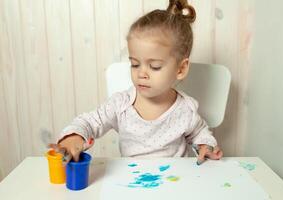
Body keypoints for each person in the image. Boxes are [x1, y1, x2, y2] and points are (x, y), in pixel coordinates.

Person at [53, 0, 223, 164]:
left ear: (180, 69)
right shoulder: (121, 105)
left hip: (174, 183)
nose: (141, 73)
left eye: (154, 66)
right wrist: (73, 137)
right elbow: (89, 122)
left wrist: (206, 146)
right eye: (135, 64)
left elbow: (200, 133)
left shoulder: (185, 109)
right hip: (132, 183)